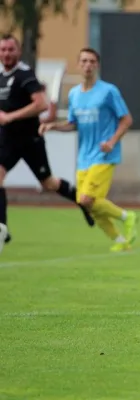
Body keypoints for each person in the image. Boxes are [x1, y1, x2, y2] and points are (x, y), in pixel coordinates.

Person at [0, 34, 94, 254]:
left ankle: (82, 202)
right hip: (7, 141)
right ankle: (3, 228)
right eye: (3, 49)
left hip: (30, 140)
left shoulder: (24, 75)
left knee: (49, 184)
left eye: (10, 49)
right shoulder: (1, 77)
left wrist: (11, 117)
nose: (6, 53)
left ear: (18, 51)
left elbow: (41, 104)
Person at [39, 48, 139, 252]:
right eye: (84, 61)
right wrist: (53, 126)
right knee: (85, 203)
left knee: (87, 199)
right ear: (79, 65)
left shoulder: (109, 91)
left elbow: (126, 120)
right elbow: (72, 124)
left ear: (97, 65)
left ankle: (127, 216)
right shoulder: (74, 94)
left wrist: (111, 141)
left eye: (92, 61)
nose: (88, 65)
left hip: (104, 155)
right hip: (84, 157)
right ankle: (120, 241)